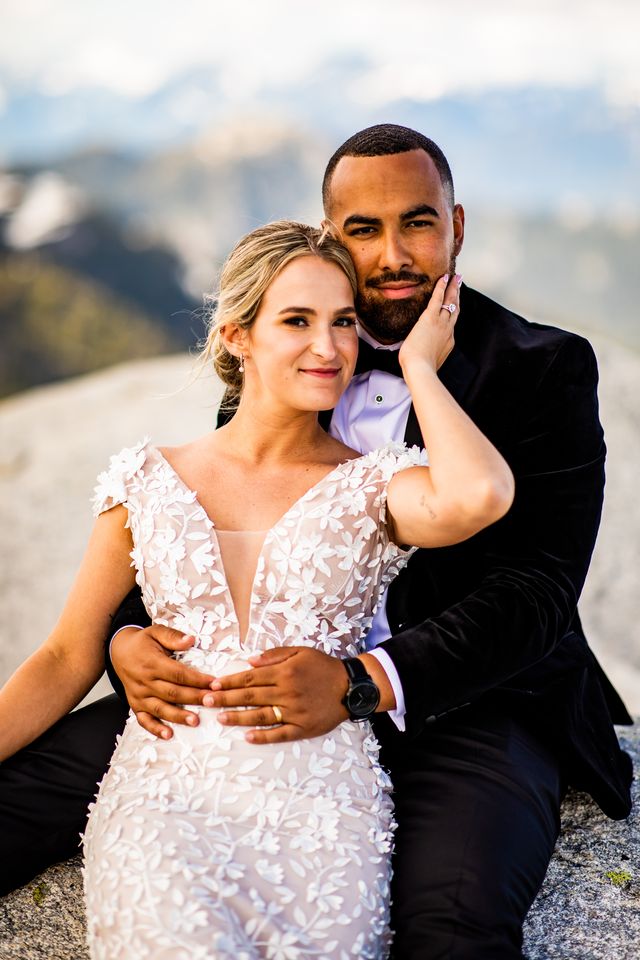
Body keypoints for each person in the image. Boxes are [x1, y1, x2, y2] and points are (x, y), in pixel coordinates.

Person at [0, 124, 632, 958]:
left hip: (473, 702)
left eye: (419, 222)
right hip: (245, 696)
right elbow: (209, 524)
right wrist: (124, 640)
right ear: (332, 236)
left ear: (458, 226)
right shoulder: (295, 356)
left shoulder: (544, 366)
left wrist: (360, 683)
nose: (395, 252)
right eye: (364, 230)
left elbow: (535, 594)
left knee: (455, 925)